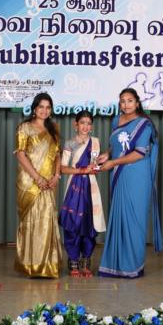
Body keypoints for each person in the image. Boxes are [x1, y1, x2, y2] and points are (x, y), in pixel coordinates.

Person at [98, 88, 163, 278]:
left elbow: (139, 153)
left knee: (135, 220)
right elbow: (116, 145)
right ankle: (115, 265)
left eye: (130, 100)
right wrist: (107, 154)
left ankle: (132, 266)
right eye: (122, 101)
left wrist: (113, 163)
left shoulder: (144, 124)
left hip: (137, 175)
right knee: (119, 216)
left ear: (137, 103)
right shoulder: (116, 120)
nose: (126, 104)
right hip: (119, 174)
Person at [13, 93, 62, 278]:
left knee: (46, 221)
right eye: (41, 107)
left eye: (48, 107)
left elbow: (58, 154)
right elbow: (20, 154)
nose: (44, 110)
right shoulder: (24, 128)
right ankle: (31, 265)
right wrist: (37, 178)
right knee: (32, 222)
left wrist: (56, 175)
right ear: (34, 108)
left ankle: (47, 266)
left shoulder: (53, 129)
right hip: (30, 182)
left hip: (49, 182)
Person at [58, 111, 105, 278]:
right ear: (75, 125)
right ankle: (73, 260)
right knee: (73, 223)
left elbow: (95, 165)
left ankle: (86, 261)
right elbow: (63, 168)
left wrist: (97, 166)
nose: (85, 126)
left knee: (89, 224)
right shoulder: (70, 143)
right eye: (82, 123)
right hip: (74, 187)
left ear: (91, 126)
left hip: (90, 187)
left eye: (88, 123)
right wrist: (81, 170)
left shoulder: (96, 142)